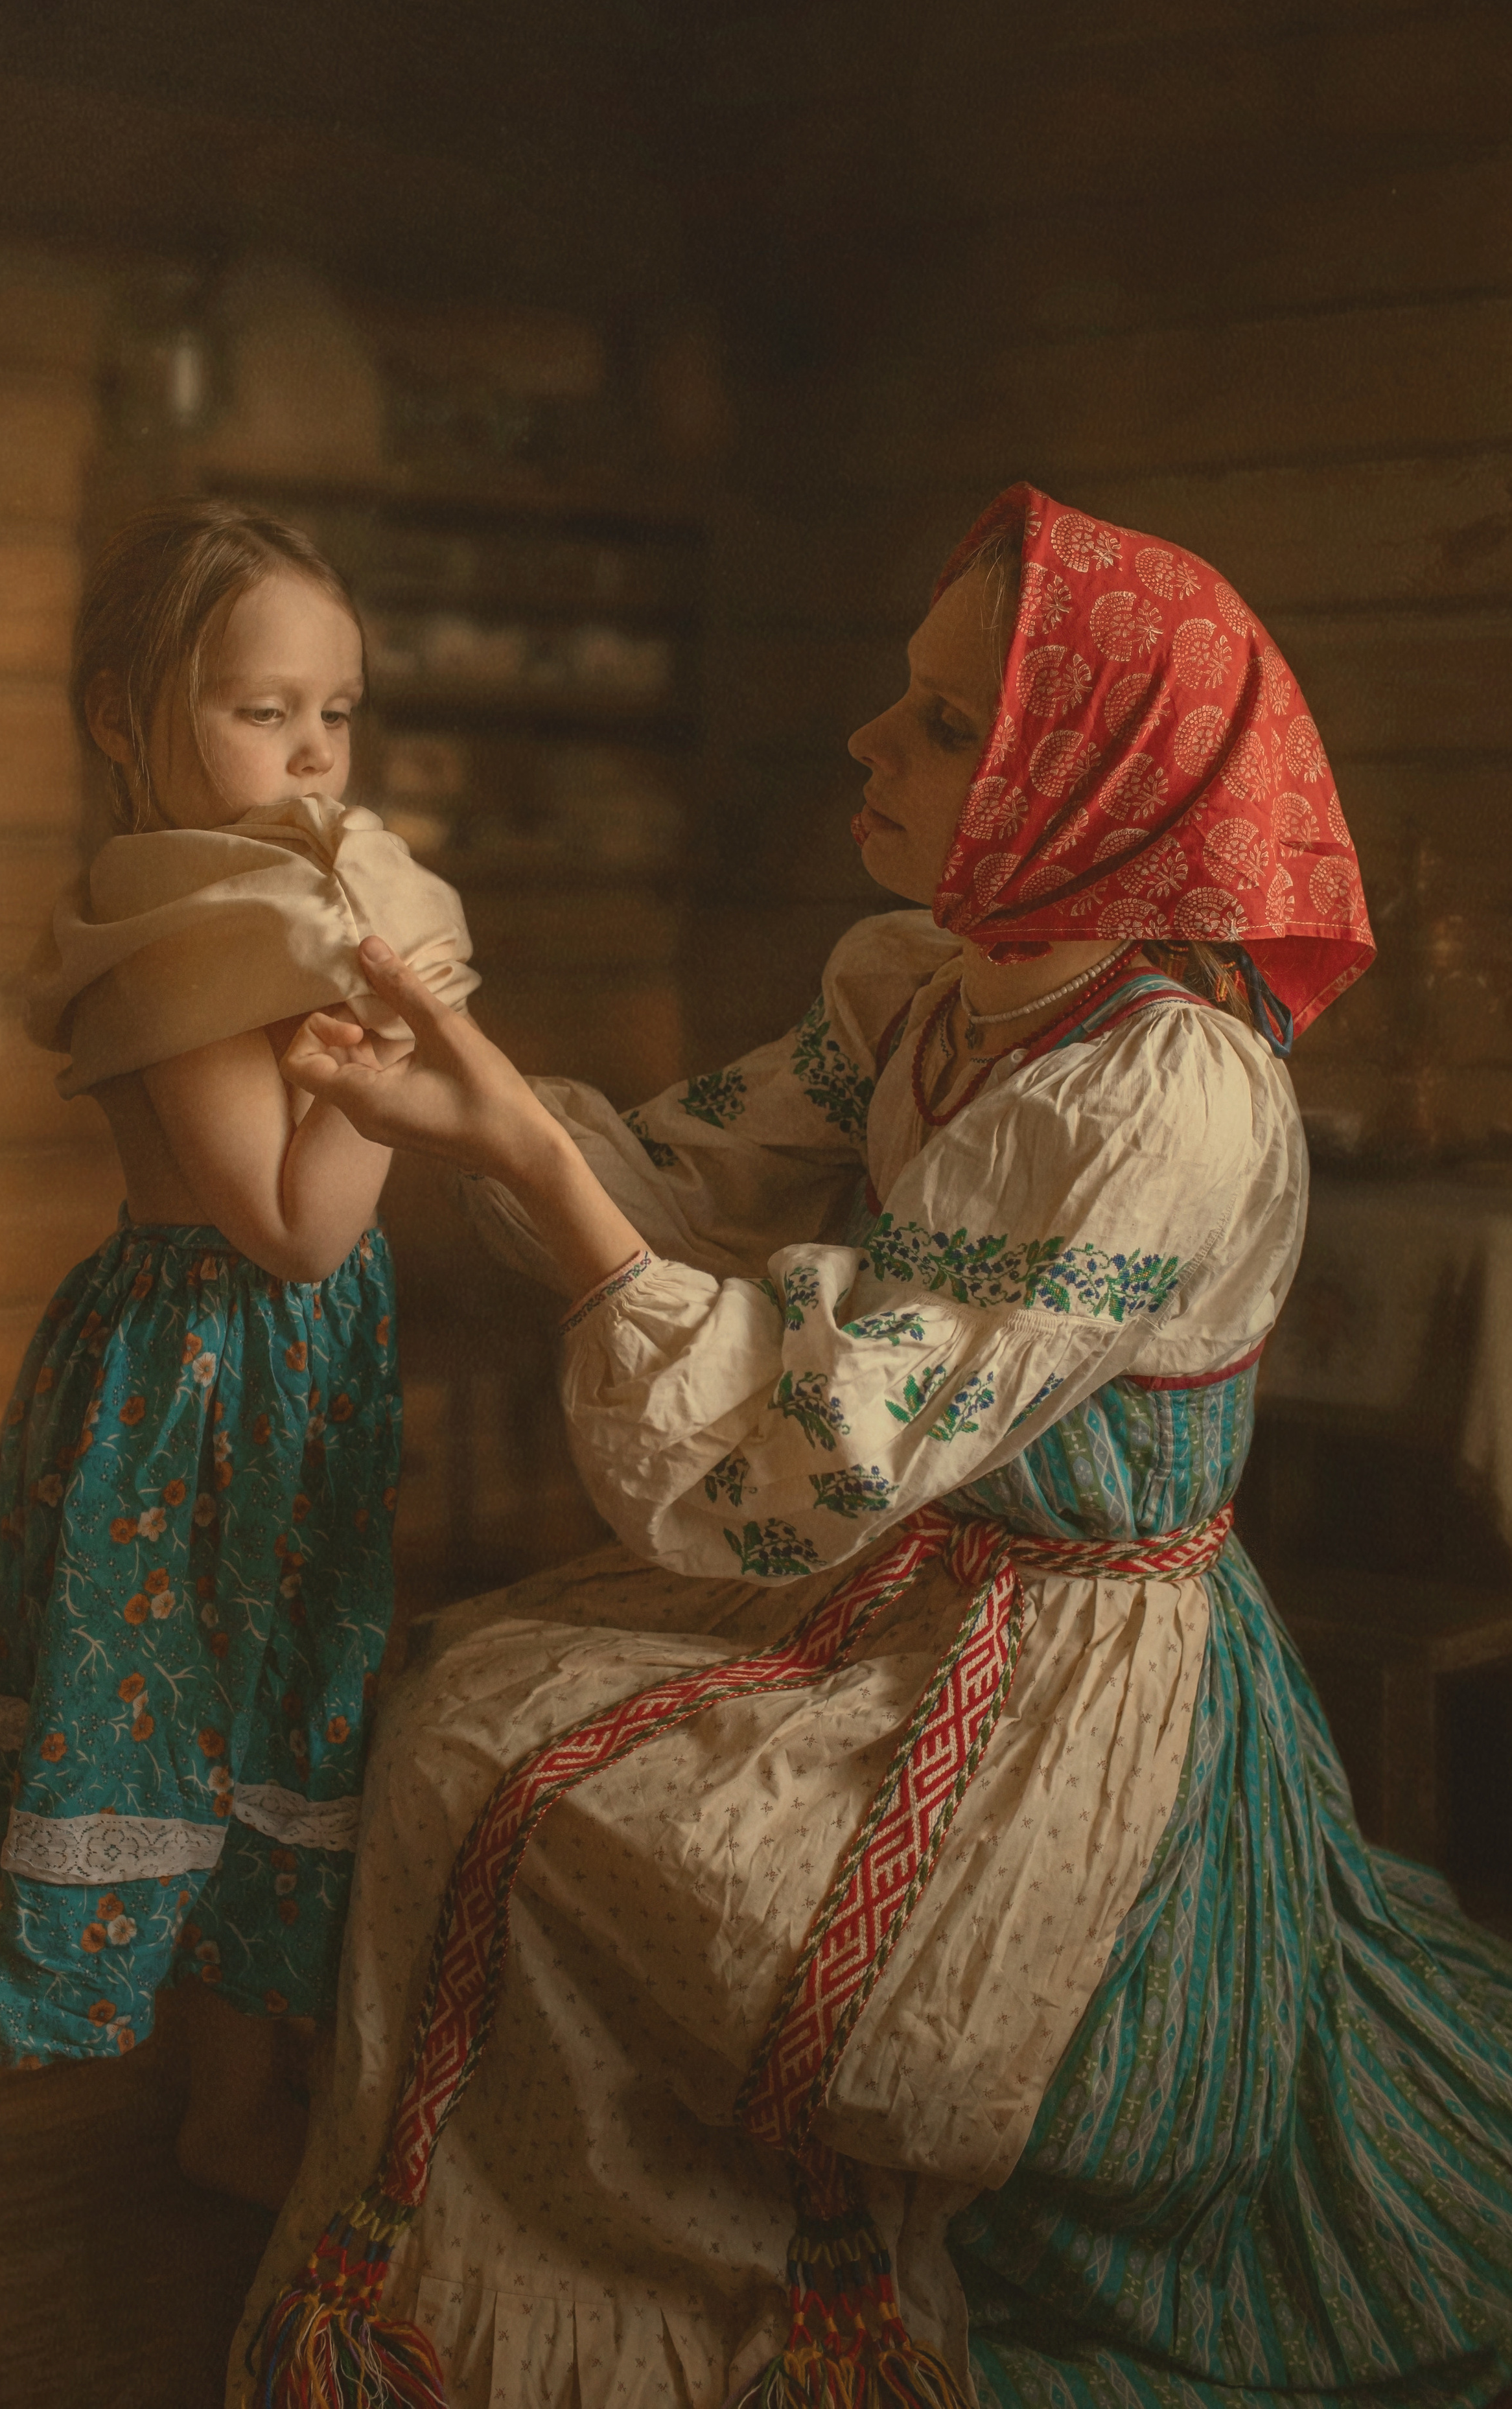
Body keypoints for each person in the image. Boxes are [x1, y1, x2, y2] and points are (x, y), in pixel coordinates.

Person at [234, 487, 1512, 2408]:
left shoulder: (1162, 1090)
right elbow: (697, 1177)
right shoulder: (936, 984)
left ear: (1083, 785)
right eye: (904, 701)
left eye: (941, 722)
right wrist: (481, 1098)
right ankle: (521, 2277)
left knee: (522, 1770)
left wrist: (515, 1151)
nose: (868, 741)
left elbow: (823, 1441)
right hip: (912, 1583)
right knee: (474, 1699)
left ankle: (694, 2304)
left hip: (1074, 1672)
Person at [0, 502, 478, 2207]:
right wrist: (397, 1040)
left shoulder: (272, 902)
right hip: (205, 1373)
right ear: (126, 718)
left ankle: (258, 2054)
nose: (316, 749)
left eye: (338, 709)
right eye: (264, 710)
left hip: (279, 1370)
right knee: (216, 1702)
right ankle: (224, 2104)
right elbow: (296, 1229)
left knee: (290, 1690)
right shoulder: (181, 924)